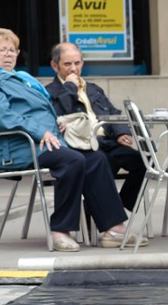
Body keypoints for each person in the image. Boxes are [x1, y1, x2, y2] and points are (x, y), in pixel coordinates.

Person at [0, 28, 146, 252]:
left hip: (39, 142)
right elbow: (0, 116)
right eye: (2, 50)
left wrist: (56, 123)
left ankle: (113, 229)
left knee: (96, 158)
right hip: (12, 148)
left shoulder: (18, 78)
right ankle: (60, 230)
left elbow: (36, 111)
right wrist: (41, 131)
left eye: (13, 50)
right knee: (72, 160)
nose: (9, 55)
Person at [46, 42, 145, 212]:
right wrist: (70, 86)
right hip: (81, 144)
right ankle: (103, 213)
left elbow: (113, 113)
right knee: (102, 165)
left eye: (77, 63)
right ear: (55, 66)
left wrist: (120, 133)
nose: (73, 69)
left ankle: (119, 205)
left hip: (106, 141)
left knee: (144, 161)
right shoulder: (50, 92)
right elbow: (63, 112)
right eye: (67, 64)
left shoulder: (93, 89)